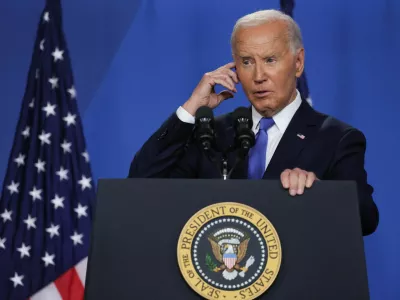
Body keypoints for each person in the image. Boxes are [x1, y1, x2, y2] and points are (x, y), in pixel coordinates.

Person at [128, 9, 378, 236]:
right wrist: (192, 107)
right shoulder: (211, 133)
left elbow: (366, 218)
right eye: (246, 62)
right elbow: (142, 183)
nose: (258, 77)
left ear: (298, 62)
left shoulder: (337, 138)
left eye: (270, 60)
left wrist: (320, 191)